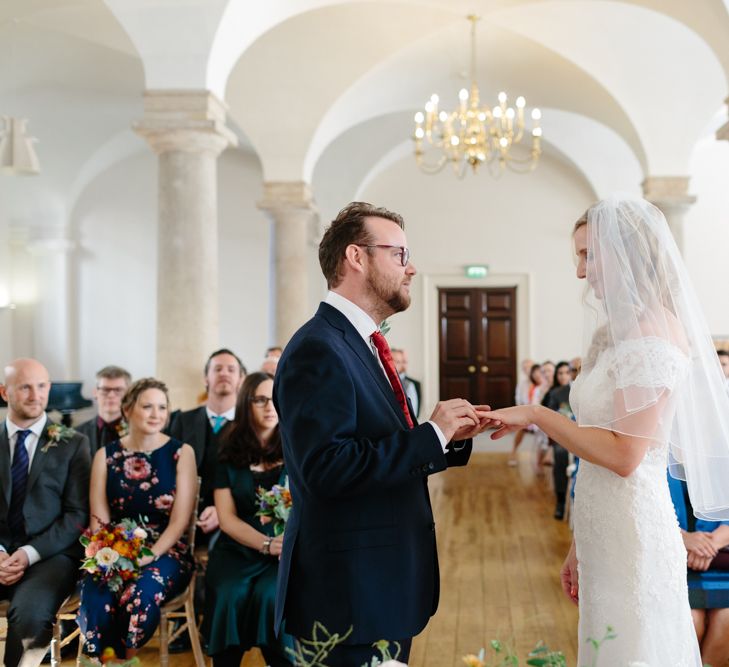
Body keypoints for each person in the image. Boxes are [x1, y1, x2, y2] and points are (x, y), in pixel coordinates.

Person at [484, 194, 729, 665]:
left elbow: (623, 456)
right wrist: (580, 542)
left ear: (627, 256)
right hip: (603, 525)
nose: (581, 271)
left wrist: (537, 415)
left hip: (636, 531)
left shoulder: (654, 334)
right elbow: (596, 451)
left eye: (588, 255)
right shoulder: (612, 335)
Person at [273, 202, 491, 666]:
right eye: (400, 254)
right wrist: (430, 435)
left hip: (377, 584)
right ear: (356, 257)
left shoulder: (359, 342)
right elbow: (327, 469)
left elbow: (372, 442)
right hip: (348, 594)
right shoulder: (319, 348)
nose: (411, 268)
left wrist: (444, 438)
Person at [78, 378, 197, 660]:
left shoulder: (182, 453)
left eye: (162, 407)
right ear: (127, 409)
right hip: (114, 549)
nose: (156, 414)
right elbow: (99, 518)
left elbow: (180, 521)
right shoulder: (105, 456)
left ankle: (125, 659)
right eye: (147, 406)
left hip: (166, 550)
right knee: (96, 596)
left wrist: (149, 556)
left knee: (140, 596)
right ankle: (107, 662)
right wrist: (111, 555)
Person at [0, 358, 91, 667]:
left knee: (30, 616)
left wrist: (27, 553)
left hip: (48, 557)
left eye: (41, 386)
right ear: (5, 392)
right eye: (24, 387)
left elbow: (77, 514)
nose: (34, 395)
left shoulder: (74, 444)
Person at [202, 372, 294, 666]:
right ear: (246, 404)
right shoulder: (225, 450)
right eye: (261, 400)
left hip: (285, 550)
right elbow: (226, 519)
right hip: (238, 548)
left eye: (275, 400)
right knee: (231, 593)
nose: (270, 407)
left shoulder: (296, 446)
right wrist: (267, 544)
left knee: (270, 597)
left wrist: (284, 544)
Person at [169, 349, 246, 542]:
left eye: (231, 369)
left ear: (241, 379)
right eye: (217, 369)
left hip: (235, 520)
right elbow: (170, 471)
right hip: (185, 518)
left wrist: (224, 512)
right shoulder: (182, 421)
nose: (224, 373)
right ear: (206, 378)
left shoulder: (248, 425)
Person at [668, 473, 729, 667]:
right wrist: (681, 538)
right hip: (669, 561)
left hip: (720, 557)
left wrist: (712, 543)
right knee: (691, 621)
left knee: (726, 619)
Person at [540, 361, 573, 519]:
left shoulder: (582, 391)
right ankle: (560, 501)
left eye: (568, 372)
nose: (564, 376)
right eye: (561, 373)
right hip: (562, 436)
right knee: (560, 454)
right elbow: (550, 421)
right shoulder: (556, 394)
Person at [76, 365, 132, 456]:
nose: (111, 395)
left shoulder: (138, 432)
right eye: (105, 389)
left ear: (128, 394)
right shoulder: (77, 433)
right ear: (95, 392)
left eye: (118, 390)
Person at [508, 363, 543, 466]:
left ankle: (541, 458)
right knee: (520, 427)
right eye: (525, 369)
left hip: (540, 413)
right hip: (526, 412)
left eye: (529, 368)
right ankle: (513, 452)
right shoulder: (523, 384)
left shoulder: (544, 384)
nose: (527, 371)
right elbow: (518, 400)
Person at [391, 347, 420, 419]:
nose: (393, 364)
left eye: (398, 362)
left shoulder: (409, 385)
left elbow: (413, 415)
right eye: (391, 360)